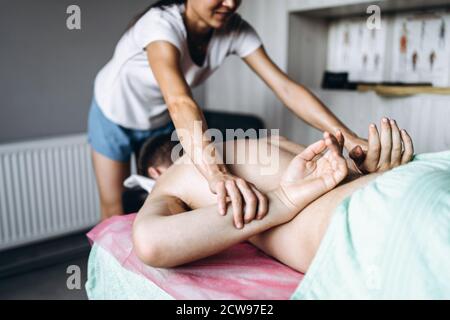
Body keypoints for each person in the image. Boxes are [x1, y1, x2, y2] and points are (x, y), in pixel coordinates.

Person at [88, 0, 369, 221]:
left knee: (175, 199)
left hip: (162, 118)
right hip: (114, 116)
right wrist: (217, 173)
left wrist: (349, 136)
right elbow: (180, 101)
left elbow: (285, 88)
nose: (231, 4)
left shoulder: (235, 29)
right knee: (115, 206)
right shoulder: (160, 24)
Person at [132, 118, 414, 272]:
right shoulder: (259, 142)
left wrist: (285, 199)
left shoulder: (168, 180)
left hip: (367, 212)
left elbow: (149, 242)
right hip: (391, 192)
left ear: (154, 172)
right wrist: (357, 170)